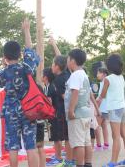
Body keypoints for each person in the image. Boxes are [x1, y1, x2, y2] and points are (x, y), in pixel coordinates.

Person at [0, 18, 40, 167]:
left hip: (10, 111)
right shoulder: (26, 68)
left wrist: (6, 66)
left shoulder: (3, 73)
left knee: (13, 147)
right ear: (19, 54)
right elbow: (29, 50)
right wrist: (27, 31)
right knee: (31, 145)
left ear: (5, 57)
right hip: (28, 109)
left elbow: (1, 83)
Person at [97, 54, 125, 167]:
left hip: (114, 109)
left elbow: (102, 95)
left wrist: (96, 101)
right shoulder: (121, 77)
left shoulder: (108, 79)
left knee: (116, 136)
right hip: (123, 107)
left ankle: (113, 162)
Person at [47, 37, 74, 167]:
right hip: (68, 111)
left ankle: (68, 161)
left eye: (53, 64)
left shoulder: (58, 79)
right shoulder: (68, 73)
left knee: (67, 137)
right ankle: (70, 159)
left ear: (57, 67)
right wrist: (53, 44)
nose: (51, 66)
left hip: (64, 112)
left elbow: (66, 97)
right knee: (69, 137)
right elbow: (61, 59)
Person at [65, 49, 92, 167]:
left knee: (78, 143)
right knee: (87, 141)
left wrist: (71, 110)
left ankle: (79, 165)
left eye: (68, 58)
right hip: (86, 113)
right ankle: (88, 164)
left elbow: (75, 93)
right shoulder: (83, 74)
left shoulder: (75, 75)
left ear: (73, 60)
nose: (67, 61)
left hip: (77, 114)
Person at [38, 68, 55, 167]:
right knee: (41, 147)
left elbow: (49, 103)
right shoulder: (44, 88)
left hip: (37, 122)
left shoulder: (48, 87)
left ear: (45, 77)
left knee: (36, 148)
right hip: (41, 121)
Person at [95, 68, 110, 151]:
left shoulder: (104, 82)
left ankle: (98, 145)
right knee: (104, 126)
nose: (97, 75)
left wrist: (96, 108)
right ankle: (106, 144)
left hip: (101, 109)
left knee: (96, 127)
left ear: (104, 74)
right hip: (106, 109)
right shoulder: (103, 82)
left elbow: (101, 97)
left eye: (98, 73)